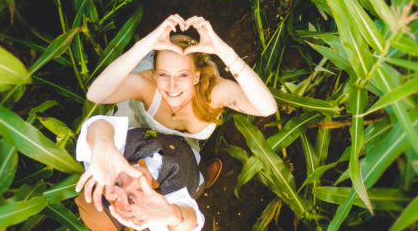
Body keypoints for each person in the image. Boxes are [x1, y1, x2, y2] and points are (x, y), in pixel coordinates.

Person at [85, 15, 277, 153]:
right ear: (154, 73)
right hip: (141, 131)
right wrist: (144, 46)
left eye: (182, 75)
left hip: (184, 148)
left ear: (196, 77)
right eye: (163, 74)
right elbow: (95, 95)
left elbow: (267, 108)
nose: (172, 85)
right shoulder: (147, 85)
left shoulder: (213, 92)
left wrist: (225, 52)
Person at [74, 114, 206, 231]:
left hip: (155, 125)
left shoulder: (102, 160)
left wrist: (103, 141)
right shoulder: (153, 213)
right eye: (131, 199)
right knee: (199, 179)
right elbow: (187, 227)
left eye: (117, 183)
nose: (132, 182)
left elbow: (97, 125)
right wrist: (175, 215)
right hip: (191, 163)